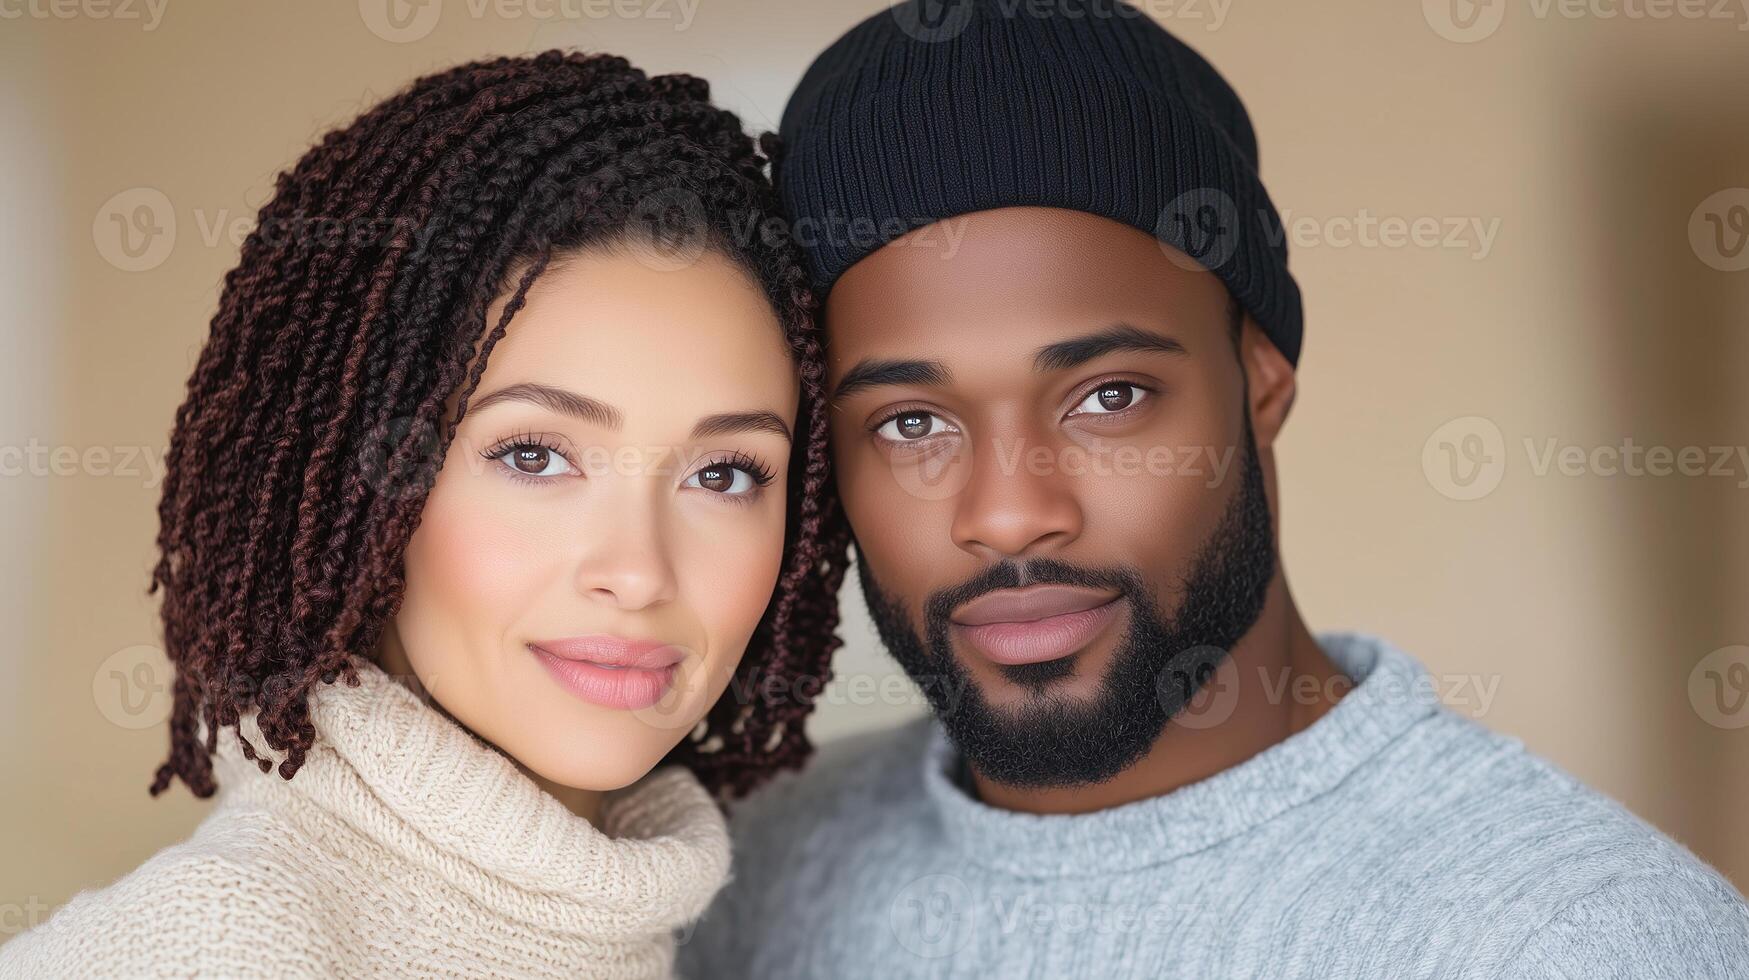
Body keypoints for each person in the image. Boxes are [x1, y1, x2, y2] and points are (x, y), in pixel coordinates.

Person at [678, 2, 1749, 977]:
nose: (1006, 511)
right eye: (912, 422)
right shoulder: (740, 875)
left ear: (1263, 378)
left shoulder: (1572, 938)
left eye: (1108, 396)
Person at [0, 50, 843, 979]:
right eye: (534, 455)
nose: (639, 571)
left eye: (724, 474)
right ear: (364, 480)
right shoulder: (219, 944)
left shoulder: (706, 934)